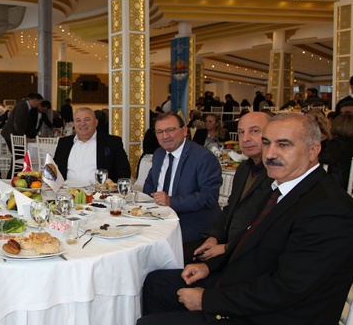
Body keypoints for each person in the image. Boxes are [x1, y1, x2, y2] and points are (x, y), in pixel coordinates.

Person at [137, 113, 353, 325]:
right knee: (156, 282)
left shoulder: (329, 208)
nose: (270, 153)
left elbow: (286, 288)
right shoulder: (283, 187)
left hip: (274, 313)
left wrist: (206, 300)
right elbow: (249, 236)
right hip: (247, 281)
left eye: (283, 145)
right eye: (267, 143)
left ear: (313, 151)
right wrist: (210, 266)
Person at [192, 112, 274, 264]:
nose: (245, 138)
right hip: (229, 246)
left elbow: (269, 228)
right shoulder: (244, 168)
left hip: (251, 257)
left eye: (254, 131)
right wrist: (213, 237)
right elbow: (230, 209)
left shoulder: (278, 174)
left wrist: (226, 248)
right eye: (241, 132)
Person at [143, 112, 222, 247]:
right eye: (159, 132)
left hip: (191, 226)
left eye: (170, 130)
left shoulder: (203, 157)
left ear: (184, 130)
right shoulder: (159, 153)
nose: (165, 136)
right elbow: (150, 183)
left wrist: (171, 201)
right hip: (158, 220)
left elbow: (209, 197)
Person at [53, 107, 130, 184]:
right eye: (78, 120)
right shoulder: (64, 143)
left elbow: (124, 171)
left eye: (87, 119)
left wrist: (113, 188)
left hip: (99, 191)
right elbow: (54, 170)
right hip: (67, 190)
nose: (82, 123)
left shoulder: (112, 142)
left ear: (96, 122)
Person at [320, 112, 353, 191]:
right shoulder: (349, 143)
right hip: (347, 183)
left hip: (335, 183)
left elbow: (325, 158)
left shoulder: (338, 143)